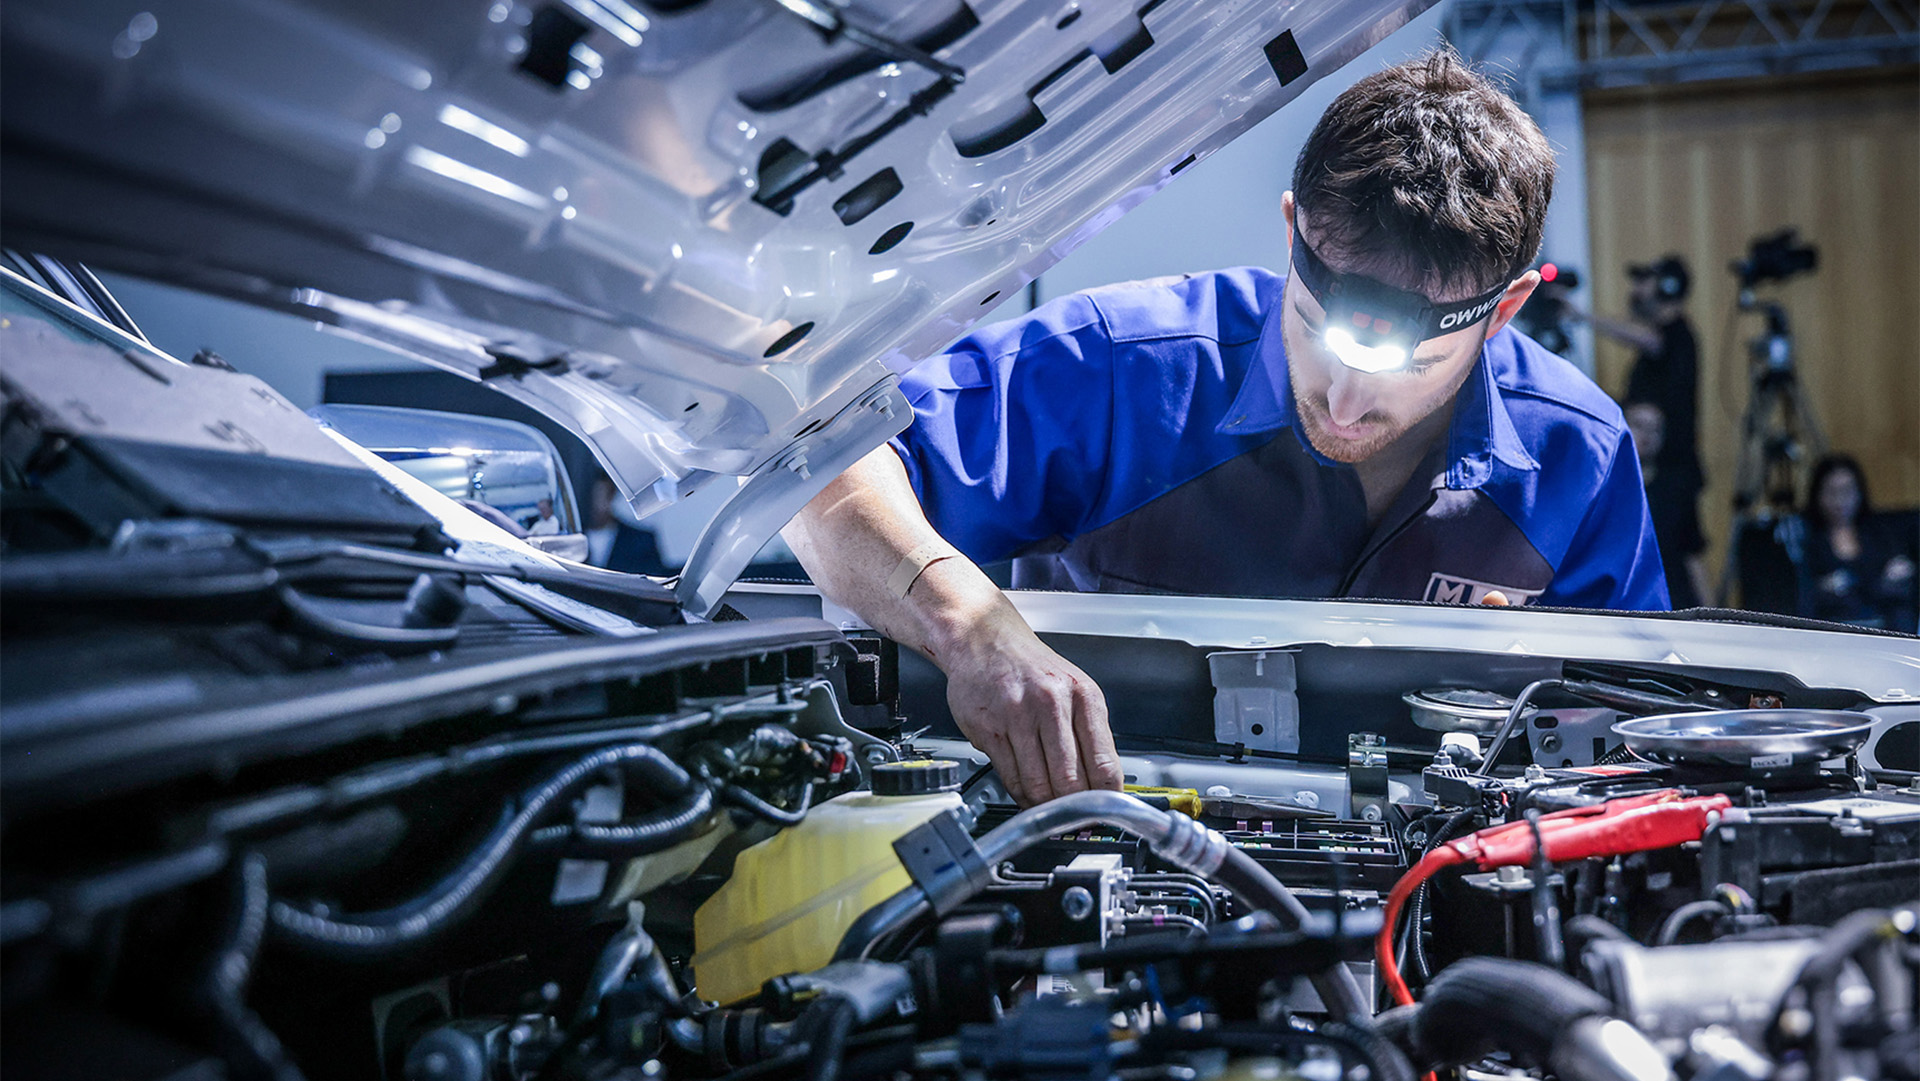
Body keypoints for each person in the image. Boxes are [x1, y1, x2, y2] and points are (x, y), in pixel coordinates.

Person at [784, 50, 1668, 805]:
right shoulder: (1122, 367)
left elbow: (1646, 725)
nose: (1349, 404)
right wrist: (971, 625)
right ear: (1293, 233)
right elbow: (818, 469)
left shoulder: (1575, 460)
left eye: (1411, 366)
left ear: (1505, 307)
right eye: (1322, 336)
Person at [1797, 454, 1916, 629]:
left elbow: (1899, 577)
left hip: (1882, 627)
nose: (1840, 501)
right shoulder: (1806, 538)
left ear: (1859, 492)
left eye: (1846, 491)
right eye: (1832, 492)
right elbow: (1803, 594)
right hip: (1832, 630)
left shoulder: (1880, 533)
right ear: (1818, 494)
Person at [1624, 401, 1711, 608]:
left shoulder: (1676, 490)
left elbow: (1693, 556)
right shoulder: (1608, 487)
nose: (1646, 435)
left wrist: (1712, 612)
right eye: (1638, 425)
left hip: (1673, 601)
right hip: (1623, 603)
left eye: (1655, 430)